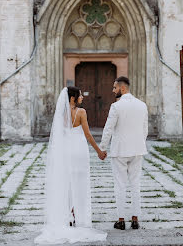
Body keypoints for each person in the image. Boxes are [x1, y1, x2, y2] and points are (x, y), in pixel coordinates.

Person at [34, 86, 107, 244]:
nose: (82, 98)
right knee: (80, 184)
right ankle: (80, 218)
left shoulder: (61, 114)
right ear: (73, 98)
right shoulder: (81, 112)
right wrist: (99, 151)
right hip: (79, 152)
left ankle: (67, 215)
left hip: (66, 152)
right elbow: (87, 134)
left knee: (66, 184)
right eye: (80, 96)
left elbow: (58, 137)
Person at [99, 76, 148, 230]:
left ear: (123, 88)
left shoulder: (116, 107)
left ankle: (121, 220)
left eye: (115, 88)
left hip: (120, 151)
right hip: (137, 150)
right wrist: (139, 143)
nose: (113, 90)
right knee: (135, 184)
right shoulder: (142, 105)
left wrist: (103, 148)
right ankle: (135, 219)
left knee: (120, 185)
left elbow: (108, 128)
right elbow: (144, 129)